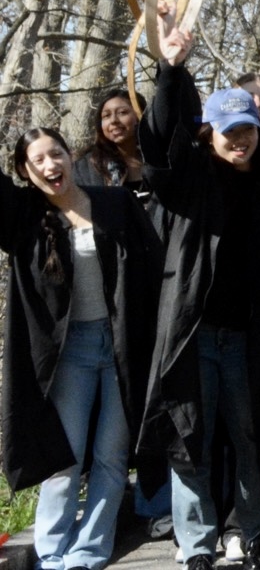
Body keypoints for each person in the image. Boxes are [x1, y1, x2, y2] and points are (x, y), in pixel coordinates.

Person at [138, 8, 260, 570]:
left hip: (249, 339)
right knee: (192, 440)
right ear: (209, 133)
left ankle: (253, 534)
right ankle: (198, 545)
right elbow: (160, 141)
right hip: (193, 336)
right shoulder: (190, 181)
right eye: (229, 131)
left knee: (253, 438)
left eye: (248, 129)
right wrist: (170, 70)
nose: (240, 140)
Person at [2, 128, 159, 570]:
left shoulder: (115, 204)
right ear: (24, 172)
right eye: (38, 160)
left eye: (56, 154)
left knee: (111, 457)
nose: (50, 165)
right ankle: (52, 554)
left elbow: (152, 266)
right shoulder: (24, 216)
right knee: (63, 459)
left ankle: (88, 552)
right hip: (70, 353)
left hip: (121, 347)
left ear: (71, 156)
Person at [72, 89, 147, 194]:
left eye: (122, 113)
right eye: (106, 116)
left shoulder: (159, 160)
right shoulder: (85, 167)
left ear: (140, 115)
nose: (113, 120)